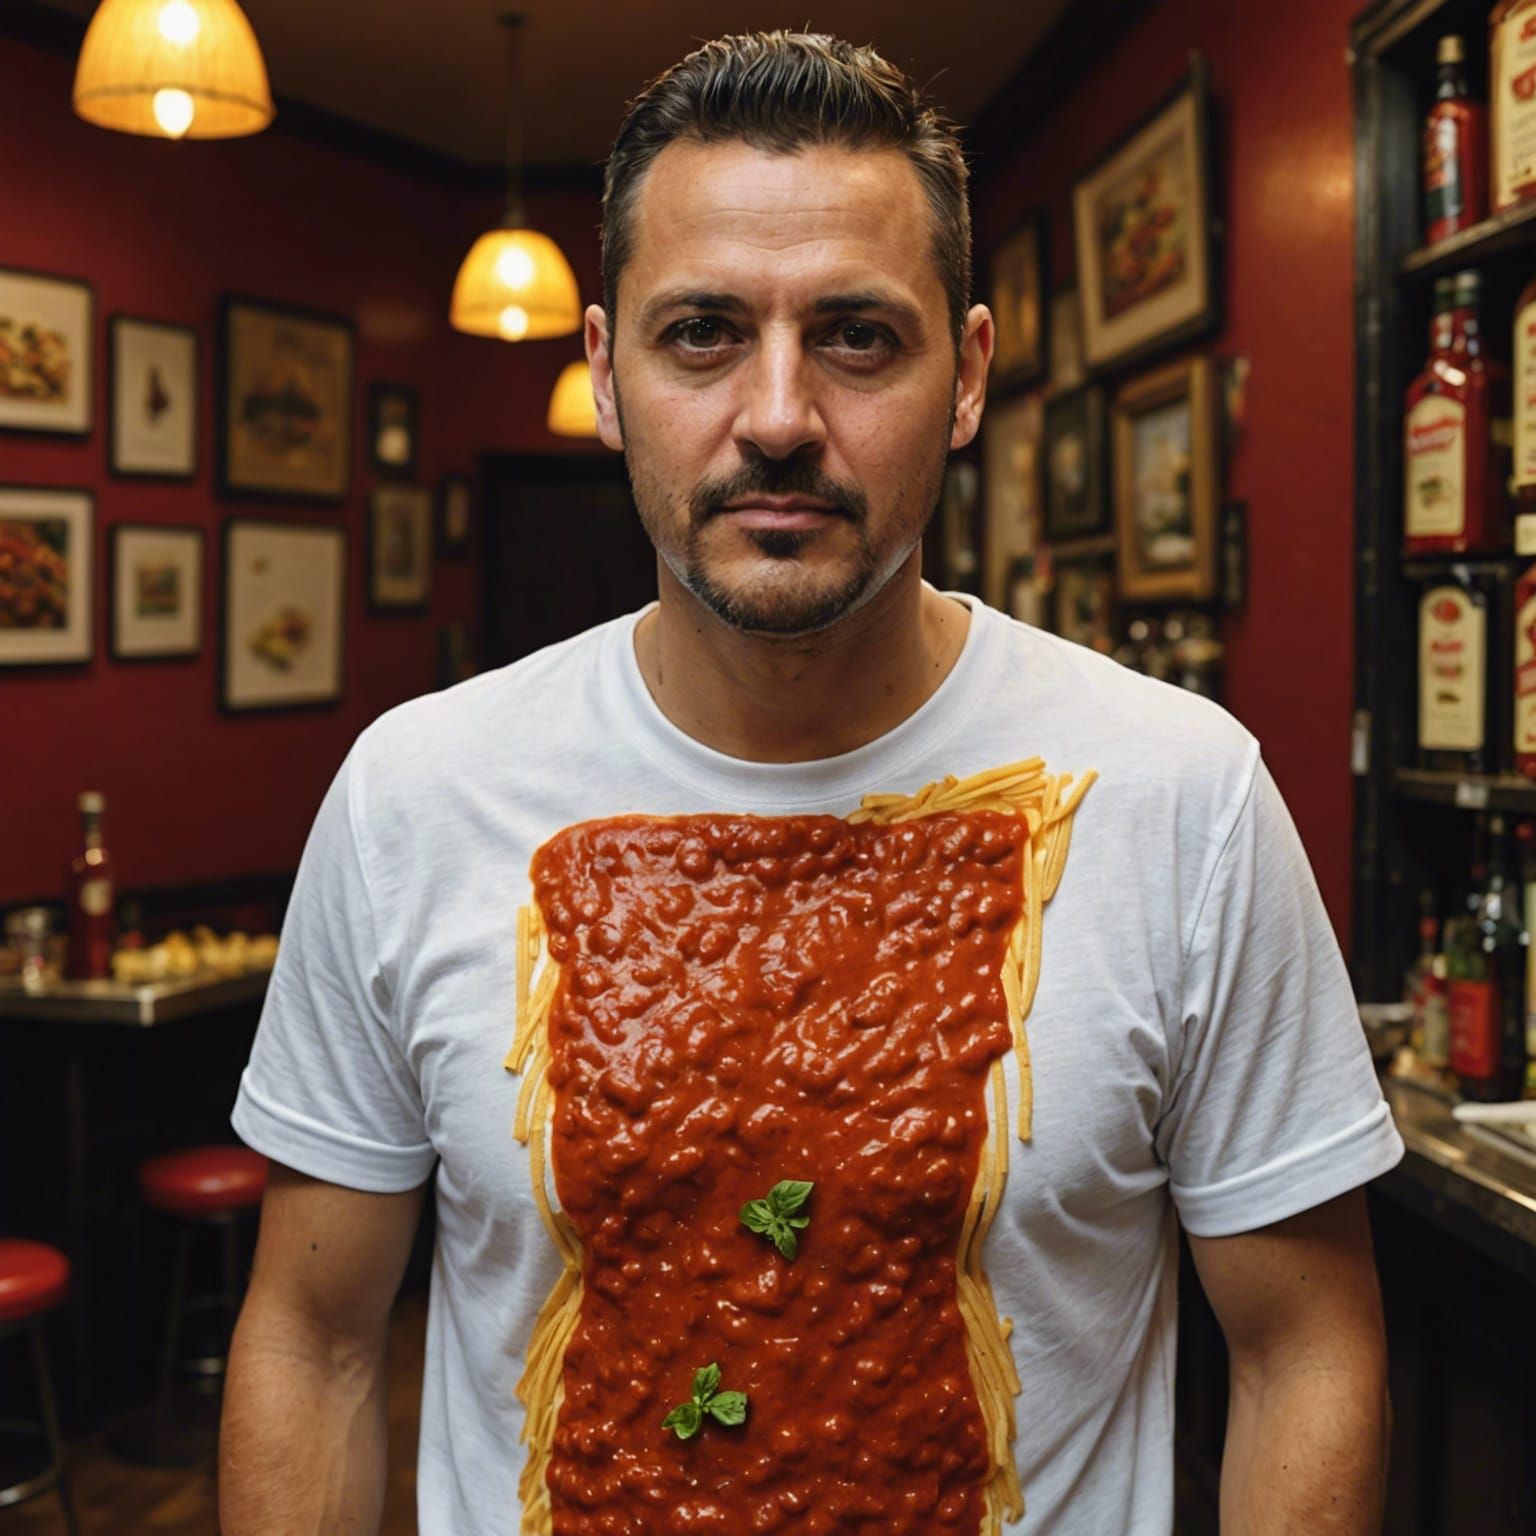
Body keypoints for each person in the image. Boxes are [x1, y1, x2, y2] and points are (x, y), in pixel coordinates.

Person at [220, 31, 1402, 1536]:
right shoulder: (414, 794)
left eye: (856, 337)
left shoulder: (1185, 798)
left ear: (967, 376)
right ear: (606, 376)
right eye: (702, 333)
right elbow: (314, 1340)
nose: (778, 415)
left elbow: (1306, 1351)